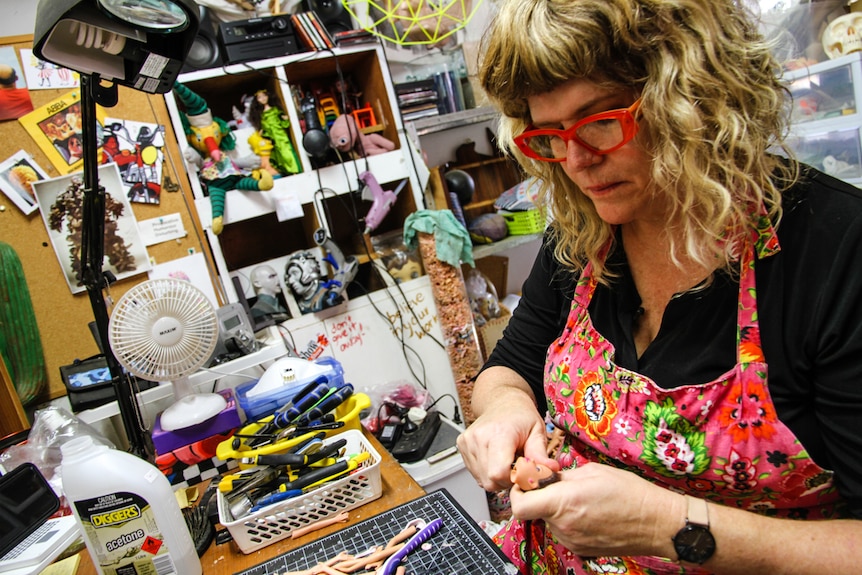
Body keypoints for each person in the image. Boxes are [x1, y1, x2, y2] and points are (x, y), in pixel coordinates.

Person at [455, 1, 862, 574]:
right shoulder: (582, 233)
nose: (576, 161)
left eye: (599, 120)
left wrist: (668, 526)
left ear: (695, 94)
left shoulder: (835, 251)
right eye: (550, 134)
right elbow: (511, 365)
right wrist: (502, 409)